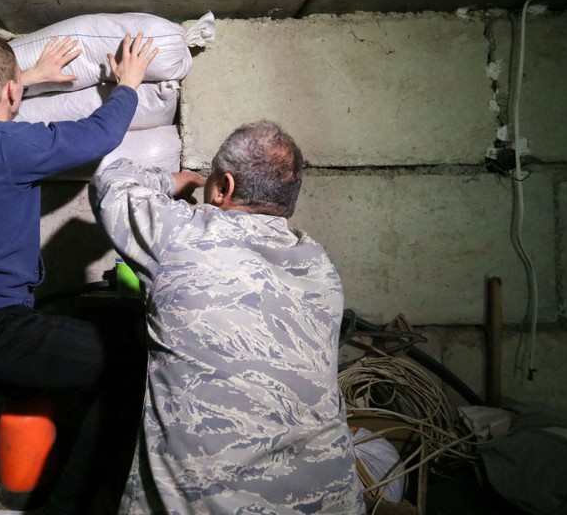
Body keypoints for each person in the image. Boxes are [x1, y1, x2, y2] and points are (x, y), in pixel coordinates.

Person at [0, 30, 158, 515]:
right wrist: (128, 85)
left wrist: (25, 77)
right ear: (10, 93)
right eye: (15, 88)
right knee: (127, 365)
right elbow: (97, 135)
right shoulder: (11, 146)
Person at [89, 121, 365, 514]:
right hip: (330, 502)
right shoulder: (319, 265)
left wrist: (171, 182)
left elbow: (109, 181)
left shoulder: (182, 234)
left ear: (224, 187)